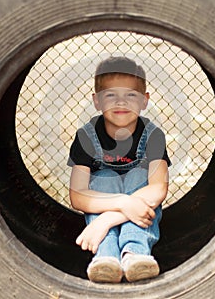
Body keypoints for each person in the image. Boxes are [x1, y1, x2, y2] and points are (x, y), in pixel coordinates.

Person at [68, 57, 171, 283]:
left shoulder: (153, 135)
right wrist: (125, 204)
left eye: (131, 95)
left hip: (136, 200)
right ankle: (106, 258)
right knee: (105, 176)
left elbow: (158, 189)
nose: (121, 103)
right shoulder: (86, 136)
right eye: (111, 95)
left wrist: (107, 220)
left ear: (145, 101)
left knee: (138, 175)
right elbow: (77, 195)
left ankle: (135, 254)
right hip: (106, 197)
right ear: (97, 101)